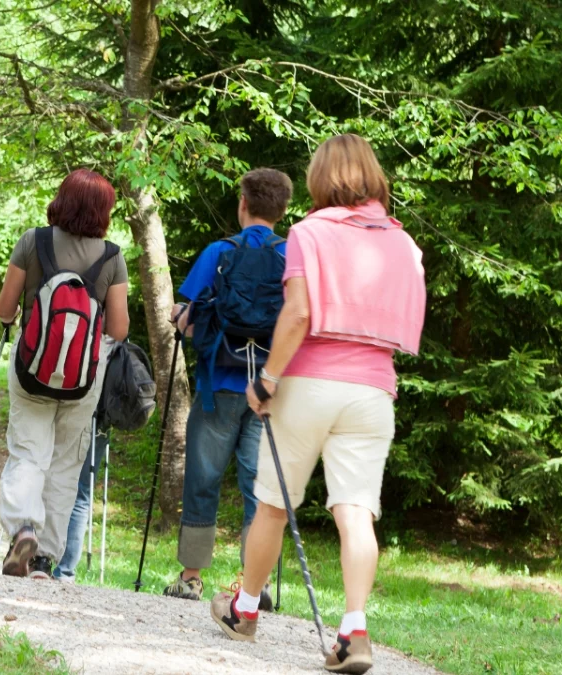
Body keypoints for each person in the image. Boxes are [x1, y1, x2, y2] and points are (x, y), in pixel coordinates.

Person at [209, 135, 426, 675]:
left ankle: (246, 609)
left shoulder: (309, 233)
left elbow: (300, 312)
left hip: (310, 382)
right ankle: (354, 630)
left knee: (274, 504)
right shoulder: (404, 243)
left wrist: (268, 378)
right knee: (356, 512)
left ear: (320, 178)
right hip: (374, 387)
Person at [162, 168, 294, 603]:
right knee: (261, 485)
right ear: (283, 209)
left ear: (243, 204)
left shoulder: (220, 252)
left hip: (219, 381)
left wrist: (180, 317)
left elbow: (189, 317)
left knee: (203, 476)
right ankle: (256, 585)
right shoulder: (293, 257)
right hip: (269, 390)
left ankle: (191, 577)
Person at [0, 169, 130, 580]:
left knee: (28, 452)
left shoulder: (32, 242)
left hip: (32, 370)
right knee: (66, 465)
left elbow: (4, 308)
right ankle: (43, 559)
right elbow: (119, 330)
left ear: (62, 199)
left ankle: (22, 528)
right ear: (103, 211)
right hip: (83, 379)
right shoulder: (112, 256)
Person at [52, 407, 108, 582]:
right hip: (103, 414)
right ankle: (65, 571)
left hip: (72, 405)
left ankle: (39, 561)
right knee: (82, 493)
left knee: (50, 481)